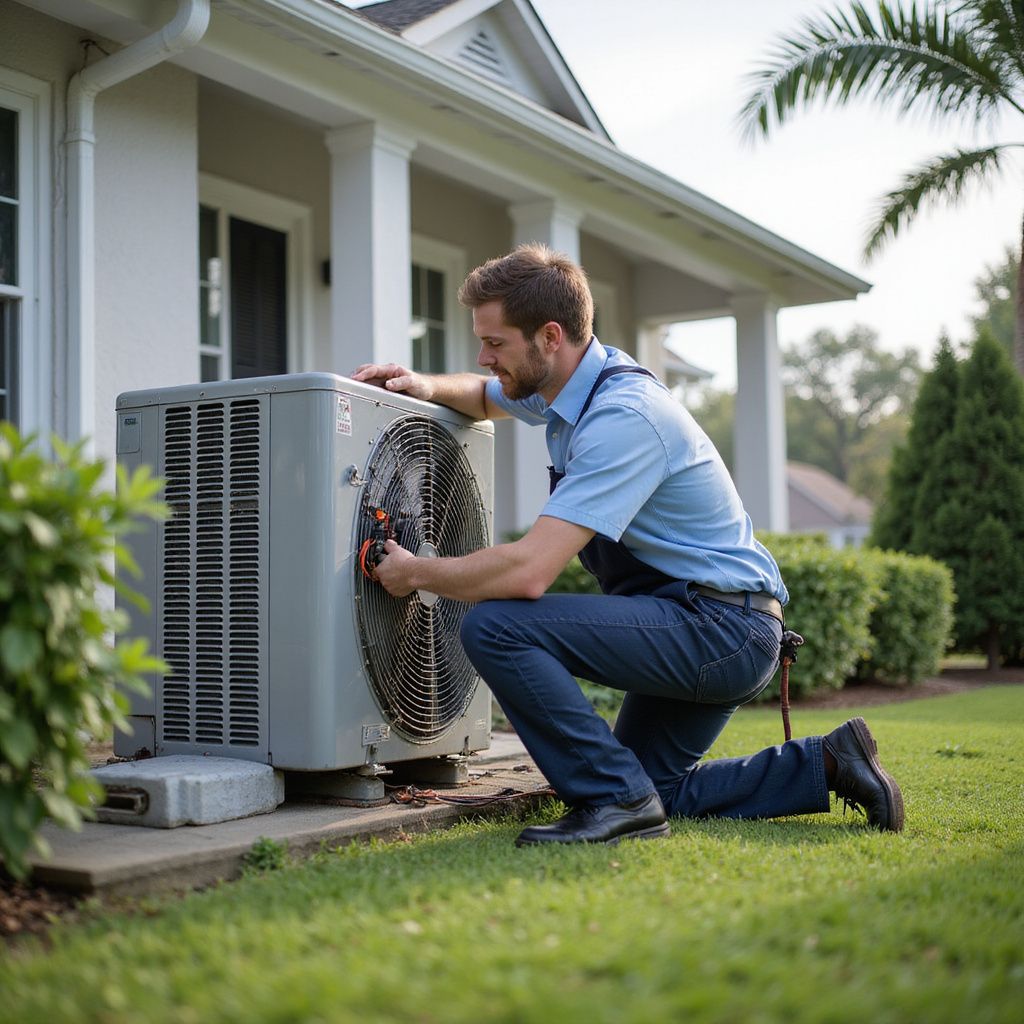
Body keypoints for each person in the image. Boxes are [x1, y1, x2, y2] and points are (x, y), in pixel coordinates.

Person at [351, 244, 904, 847]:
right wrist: (421, 383)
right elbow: (484, 396)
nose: (485, 357)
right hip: (718, 622)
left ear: (550, 336)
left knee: (498, 626)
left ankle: (615, 804)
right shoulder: (569, 387)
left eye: (496, 343)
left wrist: (414, 572)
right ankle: (829, 762)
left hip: (719, 627)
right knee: (651, 789)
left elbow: (531, 571)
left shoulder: (623, 418)